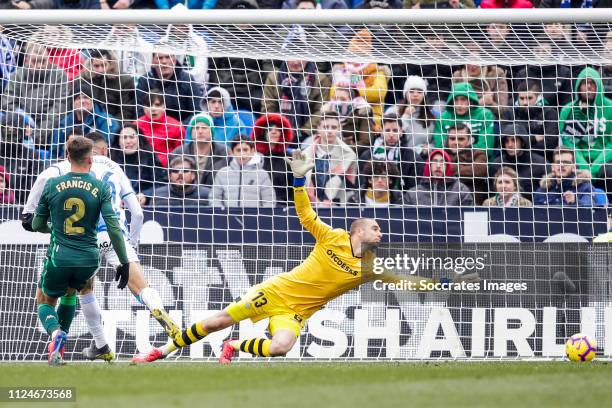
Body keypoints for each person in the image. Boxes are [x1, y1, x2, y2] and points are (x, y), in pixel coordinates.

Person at [131, 149, 479, 364]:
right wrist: (300, 180)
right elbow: (305, 215)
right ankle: (159, 352)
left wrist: (446, 281)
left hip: (296, 312)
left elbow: (410, 281)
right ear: (358, 231)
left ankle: (236, 346)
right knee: (217, 321)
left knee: (281, 347)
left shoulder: (371, 267)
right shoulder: (333, 237)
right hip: (277, 291)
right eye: (375, 228)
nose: (381, 233)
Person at [22, 132, 180, 362]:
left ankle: (99, 344)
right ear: (101, 151)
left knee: (81, 291)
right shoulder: (114, 167)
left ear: (70, 154)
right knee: (141, 287)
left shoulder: (58, 171)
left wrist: (33, 216)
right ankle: (157, 309)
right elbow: (137, 212)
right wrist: (130, 247)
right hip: (115, 237)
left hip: (82, 241)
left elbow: (34, 208)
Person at [29, 136, 130, 366]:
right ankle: (58, 353)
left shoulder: (53, 185)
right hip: (89, 259)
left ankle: (56, 335)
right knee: (71, 293)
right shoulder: (100, 187)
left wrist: (53, 227)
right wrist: (124, 261)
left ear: (67, 157)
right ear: (91, 159)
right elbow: (113, 227)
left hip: (60, 255)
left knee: (44, 301)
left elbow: (36, 225)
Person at [0, 42, 70, 144]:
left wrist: (39, 132)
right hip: (21, 125)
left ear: (49, 59)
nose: (39, 66)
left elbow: (59, 108)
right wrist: (24, 123)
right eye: (34, 61)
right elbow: (7, 103)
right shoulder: (17, 75)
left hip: (51, 128)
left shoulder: (60, 75)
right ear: (26, 60)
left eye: (43, 62)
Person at [559, 67, 612, 183]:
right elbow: (568, 142)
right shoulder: (568, 110)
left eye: (592, 83)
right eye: (584, 83)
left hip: (605, 161)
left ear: (599, 85)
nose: (588, 87)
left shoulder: (610, 107)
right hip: (577, 161)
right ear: (578, 87)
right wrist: (583, 166)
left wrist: (594, 169)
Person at [51, 83, 120, 159]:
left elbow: (109, 145)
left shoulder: (106, 120)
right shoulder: (64, 123)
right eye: (78, 98)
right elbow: (54, 151)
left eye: (86, 97)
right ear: (73, 103)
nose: (82, 101)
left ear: (92, 101)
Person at [302, 112, 357, 206]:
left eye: (334, 127)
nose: (330, 131)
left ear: (339, 129)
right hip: (309, 205)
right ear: (318, 128)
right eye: (326, 127)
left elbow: (350, 185)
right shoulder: (305, 155)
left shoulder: (349, 155)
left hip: (339, 206)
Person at [432, 82, 496, 159]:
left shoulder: (485, 115)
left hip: (477, 160)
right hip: (449, 161)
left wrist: (462, 154)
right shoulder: (442, 118)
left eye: (463, 99)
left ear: (470, 99)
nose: (459, 104)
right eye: (456, 100)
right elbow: (440, 147)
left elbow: (485, 147)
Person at [136, 52, 204, 123]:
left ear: (174, 60)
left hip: (180, 130)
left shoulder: (188, 80)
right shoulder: (144, 81)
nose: (164, 61)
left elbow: (196, 112)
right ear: (153, 62)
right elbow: (139, 111)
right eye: (160, 58)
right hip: (151, 129)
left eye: (168, 57)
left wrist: (177, 128)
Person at [210, 135, 276, 208]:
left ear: (252, 151)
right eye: (238, 150)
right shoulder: (222, 173)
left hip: (255, 218)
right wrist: (222, 216)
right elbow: (214, 198)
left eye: (245, 150)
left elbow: (269, 202)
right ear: (232, 152)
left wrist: (261, 218)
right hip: (227, 218)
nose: (242, 154)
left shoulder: (262, 174)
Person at [359, 113, 419, 191]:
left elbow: (415, 188)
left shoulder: (412, 157)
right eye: (387, 130)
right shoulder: (367, 156)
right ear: (381, 131)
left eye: (395, 130)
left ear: (401, 132)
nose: (391, 134)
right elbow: (361, 184)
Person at [170, 113, 230, 188]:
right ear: (191, 132)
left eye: (204, 128)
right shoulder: (179, 152)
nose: (200, 131)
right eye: (196, 128)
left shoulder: (224, 153)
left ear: (212, 132)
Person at [488, 123, 548, 198]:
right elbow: (492, 194)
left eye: (514, 140)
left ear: (522, 142)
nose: (510, 145)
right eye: (506, 141)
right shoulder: (497, 165)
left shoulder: (540, 163)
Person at [250, 113, 295, 205]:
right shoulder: (254, 158)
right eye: (269, 129)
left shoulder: (290, 158)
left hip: (284, 207)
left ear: (283, 134)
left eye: (278, 129)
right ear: (263, 133)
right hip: (258, 206)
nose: (273, 132)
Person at [403, 149, 474, 206]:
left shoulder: (461, 191)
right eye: (434, 161)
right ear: (429, 165)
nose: (438, 165)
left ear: (447, 166)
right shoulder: (413, 194)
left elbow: (470, 218)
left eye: (442, 162)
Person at [81, 49, 137, 121]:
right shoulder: (82, 79)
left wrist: (111, 125)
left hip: (115, 123)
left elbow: (127, 111)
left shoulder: (124, 80)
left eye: (103, 65)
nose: (100, 69)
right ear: (90, 65)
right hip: (87, 122)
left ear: (110, 64)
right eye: (96, 66)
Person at [110, 124, 166, 195]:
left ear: (139, 139)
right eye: (124, 137)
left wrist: (145, 195)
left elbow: (161, 183)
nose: (128, 141)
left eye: (132, 137)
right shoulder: (111, 159)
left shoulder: (150, 157)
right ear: (118, 141)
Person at [135, 89, 185, 168]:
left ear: (164, 106)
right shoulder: (136, 125)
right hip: (140, 167)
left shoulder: (176, 126)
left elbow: (180, 153)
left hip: (167, 169)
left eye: (157, 105)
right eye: (149, 105)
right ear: (144, 108)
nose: (153, 109)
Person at [510, 80, 559, 159]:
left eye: (529, 98)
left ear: (538, 97)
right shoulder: (511, 112)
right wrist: (534, 138)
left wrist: (521, 146)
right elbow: (507, 140)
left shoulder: (550, 113)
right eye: (521, 98)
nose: (525, 102)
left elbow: (550, 143)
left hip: (543, 159)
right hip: (514, 158)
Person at [533, 147, 598, 207]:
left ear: (573, 167)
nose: (561, 165)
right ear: (552, 167)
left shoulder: (585, 187)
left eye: (566, 162)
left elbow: (590, 208)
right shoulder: (542, 190)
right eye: (558, 162)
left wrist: (575, 202)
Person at [385, 75, 434, 153]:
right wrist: (406, 116)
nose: (415, 94)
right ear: (405, 94)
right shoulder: (392, 111)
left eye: (419, 91)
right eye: (411, 91)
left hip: (421, 159)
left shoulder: (430, 117)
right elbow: (391, 137)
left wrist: (429, 148)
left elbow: (434, 143)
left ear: (424, 95)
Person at [444, 124, 488, 204]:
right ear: (447, 140)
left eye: (461, 139)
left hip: (472, 203)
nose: (456, 142)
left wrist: (450, 169)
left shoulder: (478, 153)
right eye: (452, 139)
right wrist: (467, 167)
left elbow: (480, 170)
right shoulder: (440, 154)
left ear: (469, 140)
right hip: (446, 203)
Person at [143, 155, 210, 207]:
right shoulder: (158, 194)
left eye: (185, 171)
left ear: (193, 175)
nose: (180, 174)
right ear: (169, 176)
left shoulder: (207, 194)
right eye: (175, 171)